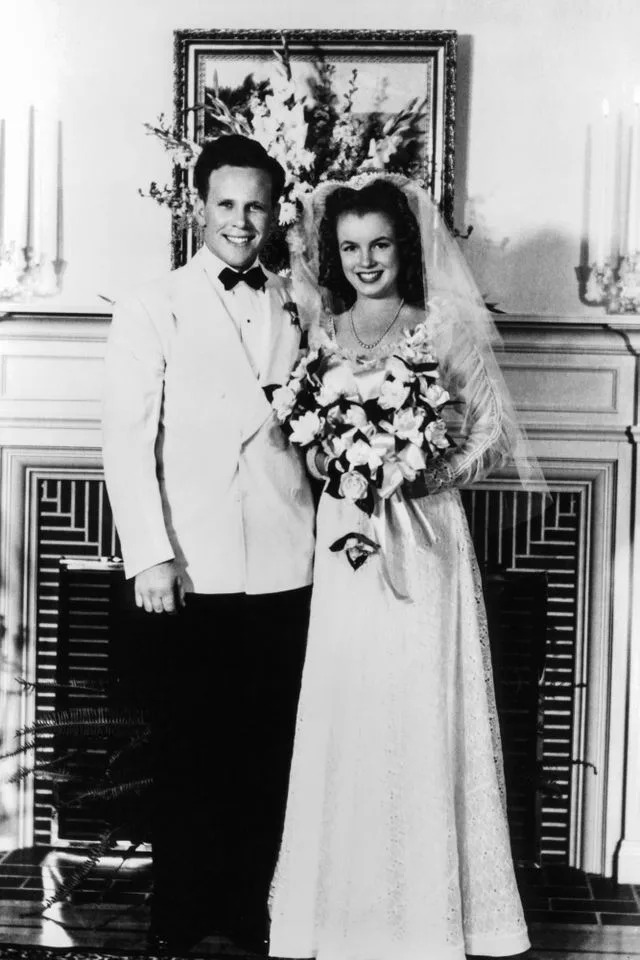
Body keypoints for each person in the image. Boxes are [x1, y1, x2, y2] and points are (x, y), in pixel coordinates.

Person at [268, 176, 543, 959]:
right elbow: (305, 428)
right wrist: (334, 456)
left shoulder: (443, 326)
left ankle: (427, 914)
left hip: (422, 538)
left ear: (406, 247)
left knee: (418, 699)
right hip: (347, 537)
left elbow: (487, 435)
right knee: (348, 701)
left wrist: (419, 471)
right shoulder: (323, 331)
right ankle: (341, 911)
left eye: (380, 245)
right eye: (350, 247)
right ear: (335, 252)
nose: (365, 261)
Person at [102, 134, 315, 955]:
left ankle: (253, 913)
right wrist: (149, 553)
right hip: (190, 569)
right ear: (198, 208)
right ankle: (182, 921)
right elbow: (126, 440)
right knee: (192, 755)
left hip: (286, 561)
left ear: (275, 211)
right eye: (226, 204)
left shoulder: (299, 303)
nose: (242, 220)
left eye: (256, 205)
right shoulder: (153, 304)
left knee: (268, 755)